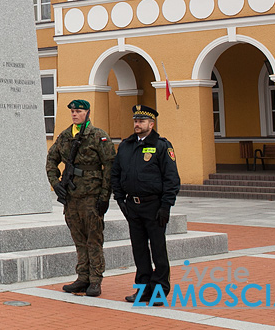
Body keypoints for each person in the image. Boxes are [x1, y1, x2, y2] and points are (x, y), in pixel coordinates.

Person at [111, 105, 181, 306]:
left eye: (141, 121)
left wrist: (166, 206)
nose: (137, 124)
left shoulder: (161, 146)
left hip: (154, 206)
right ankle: (142, 289)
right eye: (136, 121)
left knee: (158, 249)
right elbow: (116, 173)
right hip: (132, 206)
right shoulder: (126, 145)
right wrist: (119, 199)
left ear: (151, 124)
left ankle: (159, 292)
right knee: (139, 250)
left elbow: (171, 179)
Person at [46, 99, 116, 297]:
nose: (75, 114)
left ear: (88, 113)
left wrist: (105, 196)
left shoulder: (98, 136)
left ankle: (95, 280)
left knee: (94, 239)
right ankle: (82, 277)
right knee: (78, 239)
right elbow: (51, 159)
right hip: (71, 197)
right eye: (73, 111)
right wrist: (56, 183)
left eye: (78, 111)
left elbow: (110, 166)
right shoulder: (66, 136)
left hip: (91, 197)